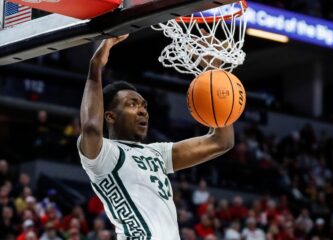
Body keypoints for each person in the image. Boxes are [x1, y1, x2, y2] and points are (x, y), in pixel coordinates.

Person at [77, 34, 234, 239]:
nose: (142, 110)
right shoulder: (104, 154)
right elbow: (90, 127)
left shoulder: (157, 152)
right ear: (110, 116)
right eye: (132, 104)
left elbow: (221, 141)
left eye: (144, 105)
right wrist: (95, 68)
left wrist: (214, 72)